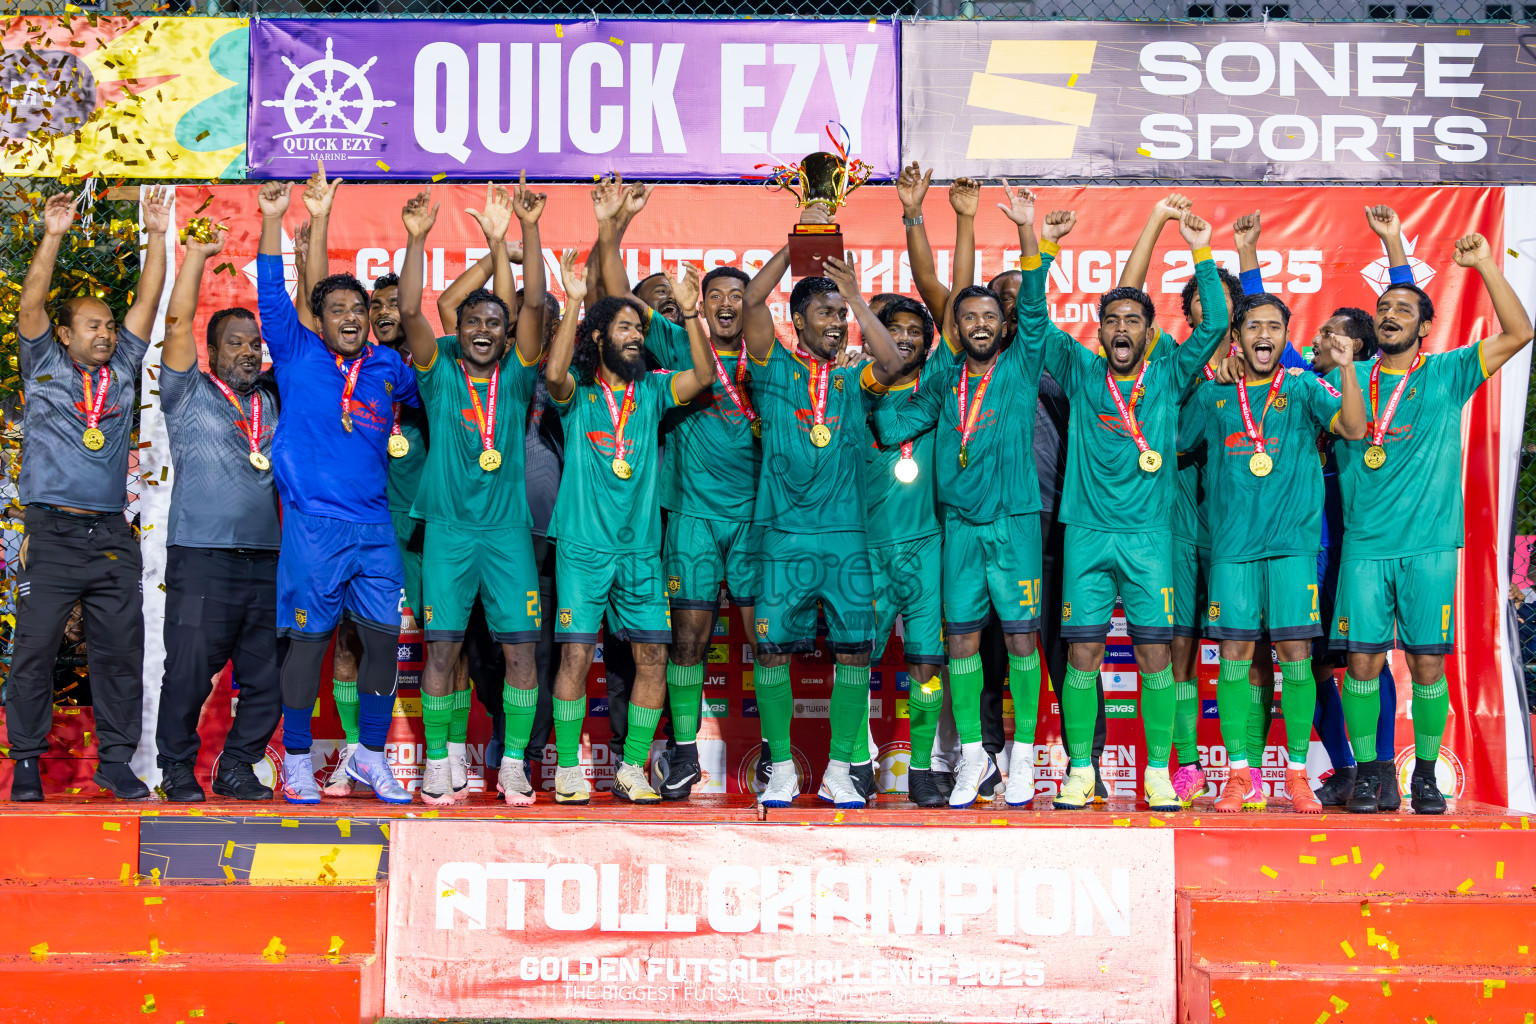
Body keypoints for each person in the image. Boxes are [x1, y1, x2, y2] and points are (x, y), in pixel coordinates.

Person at [1030, 206, 1227, 812]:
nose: (1121, 328)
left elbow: (1218, 323)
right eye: (1111, 319)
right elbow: (1032, 317)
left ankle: (1159, 773)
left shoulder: (1169, 372)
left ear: (1148, 332)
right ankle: (1081, 771)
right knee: (1082, 656)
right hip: (1087, 535)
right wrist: (1044, 247)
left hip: (1148, 539)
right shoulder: (1080, 369)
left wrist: (1201, 250)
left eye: (1133, 320)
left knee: (1155, 656)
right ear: (1100, 332)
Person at [1329, 230, 1533, 814]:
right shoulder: (1346, 377)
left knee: (1426, 662)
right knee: (1362, 663)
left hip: (1429, 547)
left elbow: (1520, 333)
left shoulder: (1447, 372)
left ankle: (1423, 775)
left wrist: (1486, 264)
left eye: (1404, 309)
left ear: (1424, 328)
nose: (1390, 315)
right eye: (1383, 308)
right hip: (1365, 547)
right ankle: (1371, 776)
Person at [871, 182, 1051, 808]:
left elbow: (1034, 309)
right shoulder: (944, 377)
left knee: (1023, 643)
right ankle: (973, 759)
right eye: (968, 317)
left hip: (1015, 524)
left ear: (1004, 326)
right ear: (958, 327)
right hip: (959, 531)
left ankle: (1022, 760)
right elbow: (896, 422)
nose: (979, 324)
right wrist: (869, 396)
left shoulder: (1023, 363)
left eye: (989, 317)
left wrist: (1027, 231)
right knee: (962, 645)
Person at [1233, 205, 1412, 809]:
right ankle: (1347, 768)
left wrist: (1394, 244)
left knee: (1366, 655)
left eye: (1331, 334)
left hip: (1359, 539)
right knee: (1311, 660)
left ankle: (1381, 768)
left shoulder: (1377, 381)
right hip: (1310, 538)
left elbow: (1405, 315)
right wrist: (1249, 253)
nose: (1315, 340)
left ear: (1356, 347)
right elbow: (1258, 323)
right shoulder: (1296, 378)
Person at [591, 177, 762, 800]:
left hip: (753, 519)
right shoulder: (674, 340)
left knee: (765, 640)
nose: (725, 304)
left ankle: (776, 756)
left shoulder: (769, 355)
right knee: (688, 641)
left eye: (737, 296)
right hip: (690, 517)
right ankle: (684, 753)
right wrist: (613, 227)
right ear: (701, 303)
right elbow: (618, 298)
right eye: (715, 296)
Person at [256, 177, 419, 806]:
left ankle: (370, 757)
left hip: (374, 529)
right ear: (318, 321)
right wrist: (275, 218)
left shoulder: (388, 367)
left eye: (359, 310)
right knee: (309, 645)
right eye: (338, 311)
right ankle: (298, 761)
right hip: (314, 525)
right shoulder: (296, 351)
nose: (351, 318)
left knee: (382, 644)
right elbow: (273, 292)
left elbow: (430, 381)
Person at [741, 203, 907, 809]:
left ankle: (840, 768)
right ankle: (782, 769)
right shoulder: (772, 368)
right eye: (826, 313)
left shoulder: (854, 378)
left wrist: (856, 297)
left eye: (841, 315)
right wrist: (800, 242)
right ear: (798, 321)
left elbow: (894, 362)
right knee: (771, 652)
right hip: (783, 537)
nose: (837, 323)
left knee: (855, 652)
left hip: (845, 538)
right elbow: (752, 301)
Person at [5, 187, 168, 802]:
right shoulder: (43, 363)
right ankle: (26, 763)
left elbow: (147, 302)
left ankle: (116, 763)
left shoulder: (123, 368)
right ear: (65, 333)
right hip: (50, 532)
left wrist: (158, 234)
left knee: (120, 653)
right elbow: (30, 303)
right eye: (93, 325)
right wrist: (52, 234)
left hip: (109, 535)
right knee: (35, 651)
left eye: (109, 325)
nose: (105, 333)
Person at [543, 249, 717, 805]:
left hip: (642, 553)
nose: (637, 336)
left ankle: (632, 767)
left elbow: (705, 375)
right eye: (624, 327)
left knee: (654, 659)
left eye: (639, 328)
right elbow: (552, 374)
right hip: (583, 548)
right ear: (599, 338)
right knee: (575, 657)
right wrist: (574, 301)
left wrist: (692, 315)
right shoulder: (579, 394)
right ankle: (568, 769)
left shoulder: (654, 391)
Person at [396, 179, 548, 805]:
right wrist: (416, 238)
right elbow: (410, 312)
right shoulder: (437, 372)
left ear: (507, 336)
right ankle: (438, 762)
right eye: (473, 321)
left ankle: (512, 765)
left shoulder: (517, 375)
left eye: (494, 323)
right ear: (457, 329)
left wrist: (525, 230)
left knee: (521, 655)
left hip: (508, 534)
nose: (484, 329)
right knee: (442, 651)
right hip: (449, 533)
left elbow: (533, 304)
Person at [1194, 291, 1366, 813]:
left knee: (1296, 658)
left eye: (1274, 326)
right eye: (1253, 326)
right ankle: (1239, 776)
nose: (1264, 334)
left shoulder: (1304, 386)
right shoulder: (1214, 394)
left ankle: (1295, 775)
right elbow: (1173, 442)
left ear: (1286, 336)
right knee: (1235, 660)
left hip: (1292, 548)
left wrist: (1348, 368)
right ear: (1237, 337)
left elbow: (1354, 428)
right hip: (1233, 550)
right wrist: (1207, 372)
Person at [294, 165, 433, 798]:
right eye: (362, 308)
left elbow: (415, 317)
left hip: (401, 525)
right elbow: (314, 302)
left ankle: (393, 753)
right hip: (337, 523)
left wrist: (415, 240)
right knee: (332, 639)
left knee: (406, 641)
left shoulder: (407, 370)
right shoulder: (328, 358)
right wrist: (318, 221)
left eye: (381, 306)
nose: (374, 314)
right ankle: (333, 751)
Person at [1118, 193, 1246, 806]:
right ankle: (1186, 764)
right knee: (1179, 648)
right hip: (1176, 519)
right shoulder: (1170, 359)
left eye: (1214, 305)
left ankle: (1248, 766)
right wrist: (1157, 223)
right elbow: (1127, 294)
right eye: (1195, 309)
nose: (1205, 316)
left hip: (1241, 525)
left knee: (1250, 647)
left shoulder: (1268, 365)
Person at [153, 223, 282, 803]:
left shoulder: (273, 398)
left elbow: (300, 338)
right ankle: (176, 769)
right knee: (187, 674)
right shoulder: (187, 392)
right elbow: (177, 323)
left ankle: (236, 767)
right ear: (212, 351)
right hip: (201, 557)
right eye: (235, 343)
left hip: (267, 561)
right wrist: (197, 257)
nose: (248, 351)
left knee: (269, 680)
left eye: (254, 344)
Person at [861, 297, 947, 807]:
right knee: (856, 660)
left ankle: (920, 769)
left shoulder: (936, 387)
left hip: (925, 545)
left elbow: (946, 295)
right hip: (867, 547)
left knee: (926, 664)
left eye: (916, 331)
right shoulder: (854, 390)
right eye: (894, 329)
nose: (906, 338)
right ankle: (855, 759)